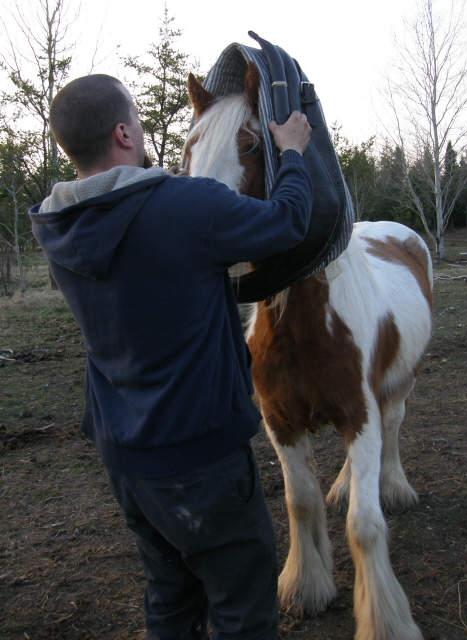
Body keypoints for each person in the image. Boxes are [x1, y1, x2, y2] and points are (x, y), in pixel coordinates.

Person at [29, 74, 312, 640]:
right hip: (200, 455)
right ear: (123, 133)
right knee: (242, 606)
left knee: (170, 594)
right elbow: (288, 222)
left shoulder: (56, 223)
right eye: (135, 117)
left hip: (124, 454)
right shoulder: (188, 206)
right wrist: (292, 154)